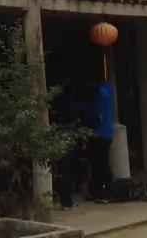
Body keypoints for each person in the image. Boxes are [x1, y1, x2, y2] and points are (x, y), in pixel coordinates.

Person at [50, 81, 80, 211]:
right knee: (65, 170)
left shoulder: (51, 103)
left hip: (52, 140)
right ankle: (66, 202)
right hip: (66, 139)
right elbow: (76, 121)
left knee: (58, 170)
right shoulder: (68, 103)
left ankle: (60, 199)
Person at [86, 79, 115, 204]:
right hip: (106, 132)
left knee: (99, 164)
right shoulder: (107, 91)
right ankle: (102, 191)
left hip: (99, 132)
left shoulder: (100, 93)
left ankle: (103, 192)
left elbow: (96, 113)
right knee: (102, 164)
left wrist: (85, 113)